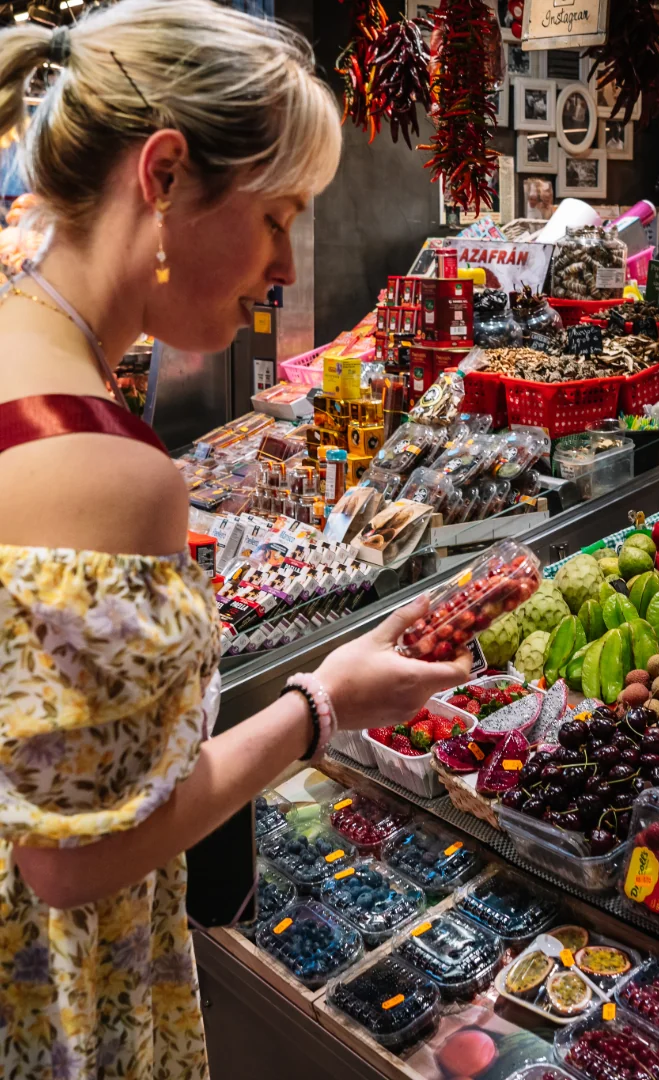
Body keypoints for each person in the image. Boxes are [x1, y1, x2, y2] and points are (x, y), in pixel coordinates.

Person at [0, 3, 472, 1079]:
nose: (283, 265)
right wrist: (324, 706)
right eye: (277, 218)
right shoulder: (106, 473)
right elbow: (74, 862)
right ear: (163, 175)